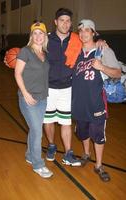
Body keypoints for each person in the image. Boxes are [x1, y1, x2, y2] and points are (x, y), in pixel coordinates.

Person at [71, 19, 121, 181]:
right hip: (78, 102)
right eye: (81, 30)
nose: (84, 33)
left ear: (94, 32)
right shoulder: (75, 51)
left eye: (87, 30)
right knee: (82, 132)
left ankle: (99, 165)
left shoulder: (103, 50)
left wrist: (102, 67)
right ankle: (86, 154)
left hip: (97, 102)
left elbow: (117, 73)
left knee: (98, 135)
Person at [43, 8, 81, 166]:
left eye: (68, 21)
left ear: (71, 23)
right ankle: (51, 145)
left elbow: (92, 39)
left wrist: (100, 40)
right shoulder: (46, 39)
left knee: (66, 122)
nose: (65, 24)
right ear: (55, 22)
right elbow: (31, 50)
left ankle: (68, 153)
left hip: (67, 87)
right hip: (48, 87)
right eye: (62, 20)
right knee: (48, 120)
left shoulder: (77, 40)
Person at [14, 22, 53, 178]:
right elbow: (17, 74)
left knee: (34, 129)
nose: (38, 36)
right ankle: (38, 165)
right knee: (37, 131)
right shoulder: (25, 51)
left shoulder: (45, 53)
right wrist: (26, 94)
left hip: (42, 98)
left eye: (41, 33)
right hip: (27, 98)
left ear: (45, 36)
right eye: (35, 33)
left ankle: (30, 155)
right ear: (31, 36)